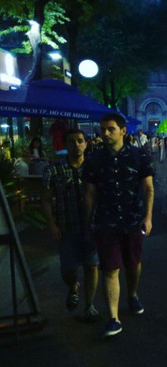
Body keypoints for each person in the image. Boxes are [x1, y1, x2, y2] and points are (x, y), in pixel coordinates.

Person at [84, 113, 155, 339]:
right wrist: (87, 221)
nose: (105, 133)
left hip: (132, 219)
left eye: (111, 129)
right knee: (110, 269)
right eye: (103, 129)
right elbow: (89, 193)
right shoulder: (94, 159)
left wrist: (148, 217)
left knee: (133, 264)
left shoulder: (139, 156)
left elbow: (148, 188)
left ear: (123, 131)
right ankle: (113, 318)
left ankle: (132, 294)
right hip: (106, 221)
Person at [41, 129, 100, 322]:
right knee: (68, 269)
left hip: (91, 227)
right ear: (65, 145)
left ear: (86, 144)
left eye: (80, 141)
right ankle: (73, 285)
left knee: (92, 265)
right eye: (71, 141)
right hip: (67, 226)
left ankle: (89, 305)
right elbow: (46, 199)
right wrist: (51, 224)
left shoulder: (93, 167)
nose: (76, 145)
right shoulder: (53, 169)